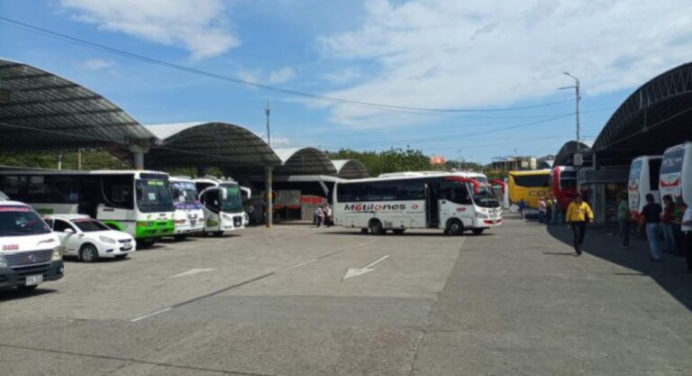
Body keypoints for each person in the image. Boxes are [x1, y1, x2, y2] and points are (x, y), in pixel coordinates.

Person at [639, 193, 663, 262]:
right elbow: (661, 215)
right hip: (658, 223)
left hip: (650, 224)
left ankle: (656, 256)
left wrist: (640, 226)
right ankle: (659, 254)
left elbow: (643, 217)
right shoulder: (658, 206)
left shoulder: (646, 207)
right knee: (657, 240)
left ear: (647, 199)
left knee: (652, 241)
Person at [681, 203, 692, 272]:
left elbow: (688, 222)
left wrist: (679, 222)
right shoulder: (687, 212)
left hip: (688, 233)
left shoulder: (688, 212)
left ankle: (689, 267)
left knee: (688, 251)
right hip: (687, 232)